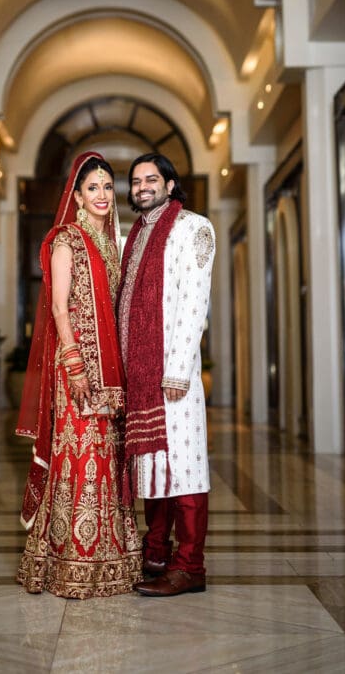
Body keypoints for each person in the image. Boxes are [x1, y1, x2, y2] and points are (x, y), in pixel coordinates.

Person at [15, 151, 142, 599]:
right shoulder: (66, 240)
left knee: (107, 456)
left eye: (109, 187)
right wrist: (74, 362)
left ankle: (109, 555)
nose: (103, 195)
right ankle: (70, 558)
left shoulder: (111, 244)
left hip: (110, 373)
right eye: (94, 188)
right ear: (78, 195)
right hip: (78, 368)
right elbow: (58, 306)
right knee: (81, 453)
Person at [118, 152, 215, 596]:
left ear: (170, 185)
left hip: (171, 376)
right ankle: (155, 551)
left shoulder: (193, 228)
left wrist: (176, 370)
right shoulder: (135, 235)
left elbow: (195, 304)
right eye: (136, 181)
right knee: (154, 468)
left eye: (151, 179)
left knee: (187, 467)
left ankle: (189, 565)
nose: (142, 187)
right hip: (141, 377)